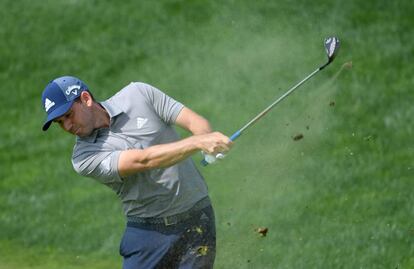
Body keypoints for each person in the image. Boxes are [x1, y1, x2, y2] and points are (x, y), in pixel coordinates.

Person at [41, 76, 232, 269]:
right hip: (149, 235)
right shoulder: (83, 157)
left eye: (68, 115)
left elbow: (194, 121)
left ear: (86, 99)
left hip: (198, 220)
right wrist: (196, 143)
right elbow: (144, 160)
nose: (67, 126)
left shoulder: (138, 94)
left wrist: (206, 138)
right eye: (59, 122)